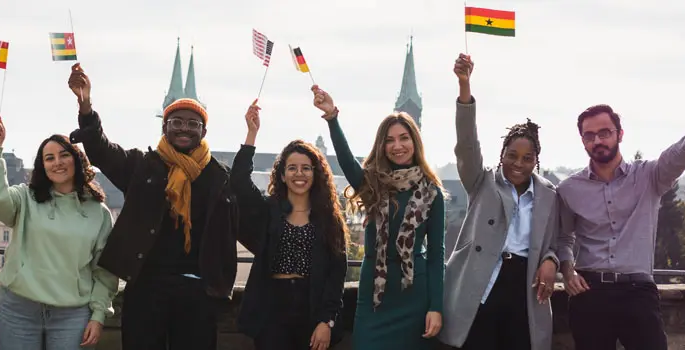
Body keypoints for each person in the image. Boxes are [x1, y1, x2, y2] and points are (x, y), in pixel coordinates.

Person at [555, 69, 685, 350]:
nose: (597, 141)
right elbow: (563, 238)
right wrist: (568, 272)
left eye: (604, 133)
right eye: (589, 135)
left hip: (638, 292)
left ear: (619, 134)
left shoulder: (650, 177)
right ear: (583, 141)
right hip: (589, 294)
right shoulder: (569, 188)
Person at [65, 63, 241, 350]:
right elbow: (100, 150)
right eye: (177, 122)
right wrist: (86, 107)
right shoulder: (143, 165)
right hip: (146, 287)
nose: (184, 128)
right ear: (165, 126)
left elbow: (242, 220)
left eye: (192, 123)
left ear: (204, 131)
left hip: (198, 291)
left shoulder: (218, 175)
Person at [439, 54, 560, 350]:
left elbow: (559, 240)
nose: (518, 164)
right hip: (481, 283)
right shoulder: (481, 182)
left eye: (527, 158)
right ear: (502, 154)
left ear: (536, 161)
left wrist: (551, 260)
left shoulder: (549, 194)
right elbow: (467, 143)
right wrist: (464, 86)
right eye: (512, 156)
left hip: (524, 289)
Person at [314, 85, 446, 349]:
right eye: (389, 140)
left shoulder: (432, 192)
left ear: (414, 141)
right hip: (374, 294)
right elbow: (346, 161)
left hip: (414, 296)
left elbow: (435, 254)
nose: (397, 146)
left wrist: (436, 307)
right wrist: (332, 118)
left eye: (403, 138)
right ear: (382, 146)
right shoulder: (373, 182)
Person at [0, 116, 117, 350]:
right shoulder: (25, 197)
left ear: (77, 160)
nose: (57, 163)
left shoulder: (99, 213)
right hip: (19, 307)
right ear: (42, 165)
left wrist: (98, 314)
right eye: (49, 158)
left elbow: (105, 270)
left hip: (72, 313)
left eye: (64, 155)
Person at [232, 101, 348, 350]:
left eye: (306, 168)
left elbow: (336, 275)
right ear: (282, 175)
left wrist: (326, 321)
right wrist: (251, 134)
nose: (299, 174)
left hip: (312, 307)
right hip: (272, 308)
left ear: (316, 174)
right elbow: (239, 184)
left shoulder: (329, 219)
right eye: (292, 168)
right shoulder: (270, 210)